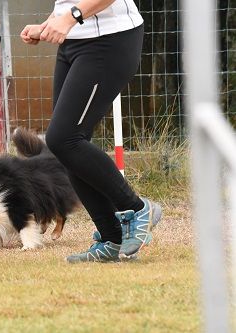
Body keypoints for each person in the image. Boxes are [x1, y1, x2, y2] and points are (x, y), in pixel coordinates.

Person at [20, 0, 162, 263]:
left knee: (64, 139)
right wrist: (49, 24)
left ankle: (138, 208)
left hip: (108, 41)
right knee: (69, 145)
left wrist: (70, 18)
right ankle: (111, 237)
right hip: (73, 42)